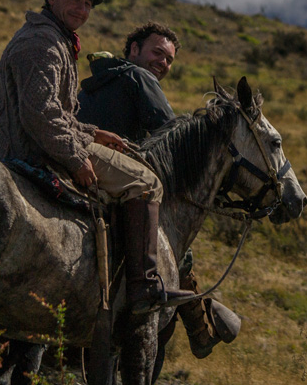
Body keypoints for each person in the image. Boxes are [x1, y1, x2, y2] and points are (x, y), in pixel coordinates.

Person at [0, 0, 193, 317]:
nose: (82, 10)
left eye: (87, 4)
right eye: (74, 0)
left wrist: (92, 133)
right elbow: (40, 115)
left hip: (40, 140)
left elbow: (56, 111)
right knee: (146, 183)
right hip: (32, 149)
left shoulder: (54, 39)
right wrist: (76, 158)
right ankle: (143, 286)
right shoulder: (42, 43)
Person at [79, 22, 239, 359]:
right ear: (133, 49)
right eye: (157, 53)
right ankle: (200, 330)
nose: (163, 63)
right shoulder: (141, 79)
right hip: (121, 179)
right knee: (176, 251)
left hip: (81, 170)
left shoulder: (93, 84)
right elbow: (172, 144)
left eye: (169, 60)